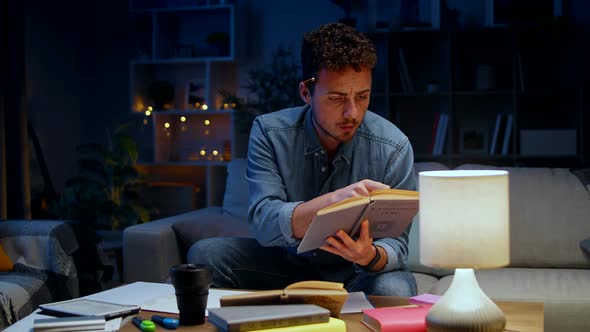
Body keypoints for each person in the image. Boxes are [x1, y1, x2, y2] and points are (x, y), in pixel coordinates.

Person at [188, 22, 417, 296]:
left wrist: (369, 255)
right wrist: (334, 202)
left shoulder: (394, 146)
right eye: (337, 98)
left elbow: (397, 246)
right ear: (306, 93)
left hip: (358, 272)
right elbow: (264, 222)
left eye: (363, 96)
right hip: (287, 264)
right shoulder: (270, 132)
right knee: (205, 254)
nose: (352, 112)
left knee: (394, 288)